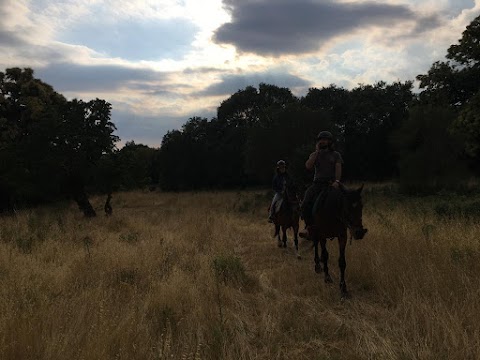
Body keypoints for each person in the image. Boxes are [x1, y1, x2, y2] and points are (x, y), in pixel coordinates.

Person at [299, 131, 343, 238]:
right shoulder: (314, 155)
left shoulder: (336, 155)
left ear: (329, 141)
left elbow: (338, 169)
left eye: (325, 139)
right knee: (306, 201)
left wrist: (337, 181)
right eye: (320, 140)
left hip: (332, 183)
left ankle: (350, 225)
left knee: (349, 198)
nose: (322, 141)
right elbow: (308, 166)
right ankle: (308, 227)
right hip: (318, 183)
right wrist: (316, 152)